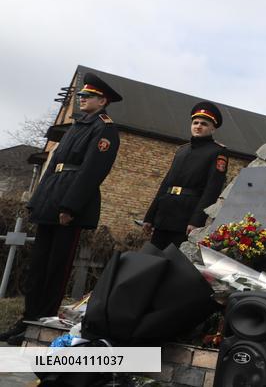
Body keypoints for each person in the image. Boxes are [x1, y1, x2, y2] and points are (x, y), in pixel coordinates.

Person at [0, 72, 122, 345]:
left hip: (69, 205)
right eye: (80, 96)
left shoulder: (104, 129)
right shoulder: (76, 127)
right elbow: (54, 167)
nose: (81, 100)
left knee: (56, 267)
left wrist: (70, 206)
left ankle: (41, 320)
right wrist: (36, 202)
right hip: (51, 198)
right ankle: (27, 319)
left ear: (102, 100)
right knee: (38, 266)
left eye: (87, 96)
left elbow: (92, 171)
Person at [143, 102, 229, 250]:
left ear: (213, 128)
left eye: (204, 124)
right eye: (195, 122)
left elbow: (212, 189)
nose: (198, 126)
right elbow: (165, 184)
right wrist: (149, 217)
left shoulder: (217, 152)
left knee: (173, 261)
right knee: (153, 258)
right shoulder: (181, 150)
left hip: (186, 217)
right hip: (164, 213)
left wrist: (197, 220)